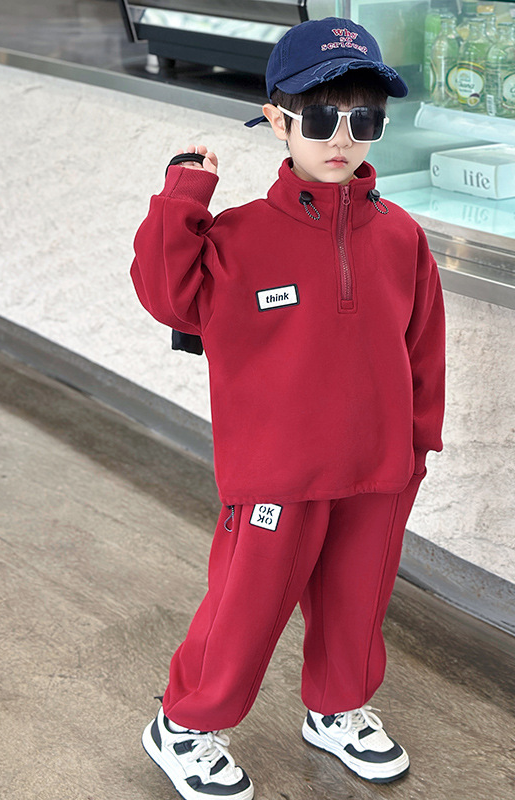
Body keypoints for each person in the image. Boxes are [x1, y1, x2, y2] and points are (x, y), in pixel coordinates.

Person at [130, 16, 445, 800]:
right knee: (245, 609)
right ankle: (184, 725)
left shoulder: (401, 237)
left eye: (364, 120)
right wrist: (183, 196)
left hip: (377, 467)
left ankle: (337, 710)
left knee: (355, 605)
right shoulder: (238, 238)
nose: (342, 138)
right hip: (275, 472)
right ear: (277, 119)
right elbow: (168, 295)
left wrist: (417, 446)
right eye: (322, 116)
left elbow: (423, 348)